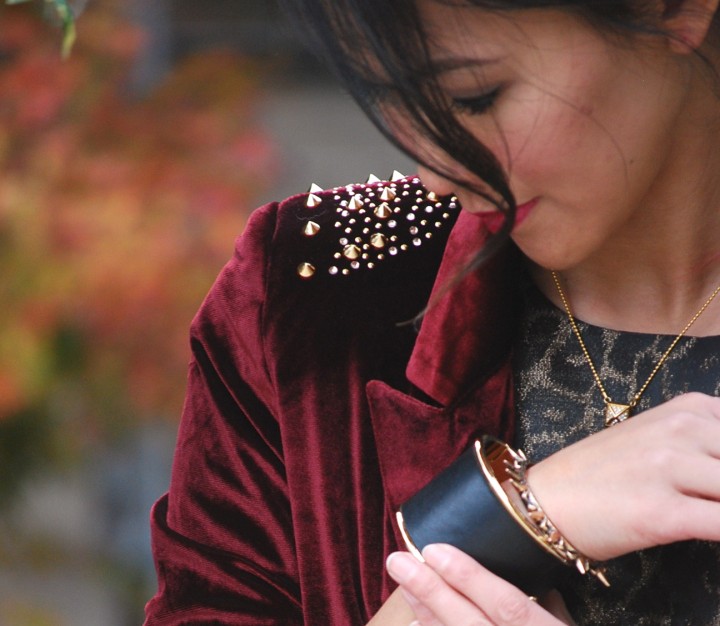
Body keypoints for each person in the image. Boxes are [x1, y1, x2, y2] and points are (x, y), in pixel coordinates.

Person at [144, 0, 720, 623]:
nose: (437, 173)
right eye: (392, 100)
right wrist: (523, 516)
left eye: (476, 97)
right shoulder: (312, 293)